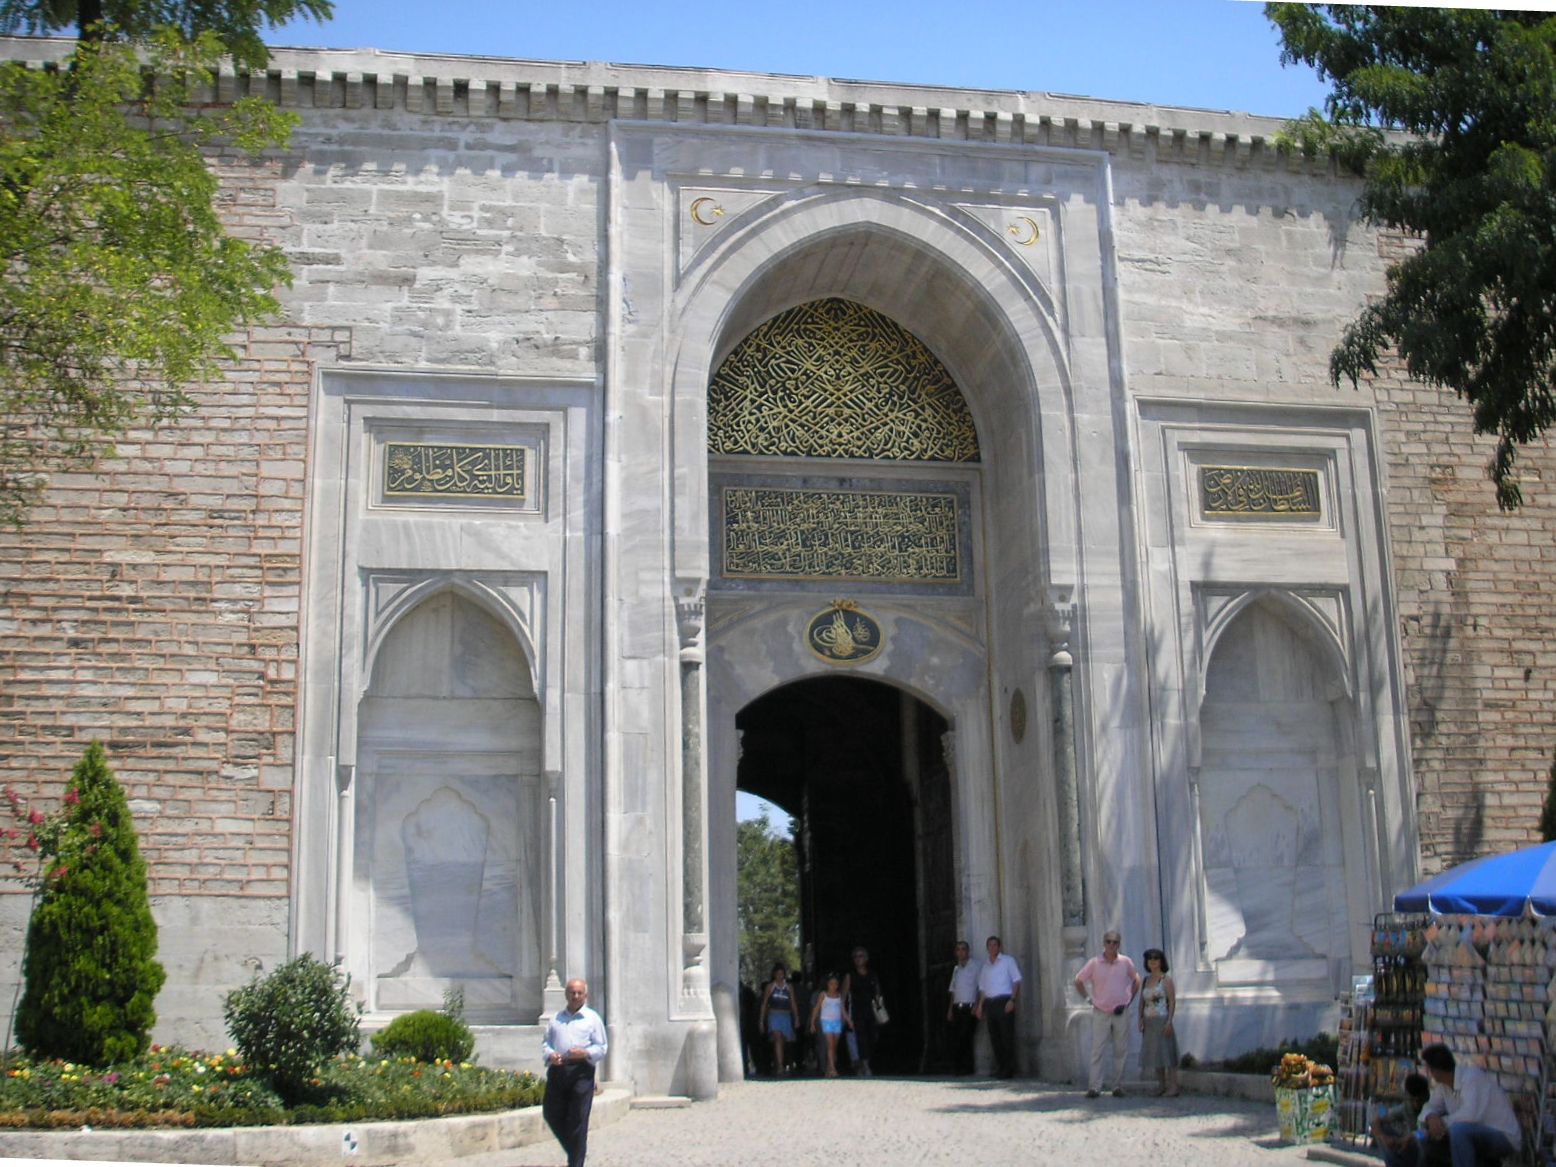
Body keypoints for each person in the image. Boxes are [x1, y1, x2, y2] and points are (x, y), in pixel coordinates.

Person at [1399, 1044, 1521, 1167]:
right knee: (1427, 1141)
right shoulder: (1443, 1087)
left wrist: (1440, 1123)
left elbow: (1470, 1115)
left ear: (1436, 1070)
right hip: (1475, 1137)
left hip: (1503, 1136)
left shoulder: (1472, 1077)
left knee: (1458, 1131)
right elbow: (1429, 1106)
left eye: (1430, 1069)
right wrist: (1431, 1117)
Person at [541, 978, 608, 1167]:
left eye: (579, 993)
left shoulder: (592, 1019)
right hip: (558, 1070)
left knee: (578, 1118)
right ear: (566, 995)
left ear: (585, 995)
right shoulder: (556, 1019)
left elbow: (601, 1047)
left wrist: (585, 1052)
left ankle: (576, 1163)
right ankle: (574, 1151)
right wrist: (551, 1055)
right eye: (572, 992)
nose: (575, 996)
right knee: (551, 1113)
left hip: (581, 1071)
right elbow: (546, 1043)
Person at [1074, 929, 1140, 1098]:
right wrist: (1089, 1000)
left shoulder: (1125, 962)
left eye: (1115, 942)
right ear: (1104, 944)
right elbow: (1079, 980)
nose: (1112, 945)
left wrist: (1129, 1000)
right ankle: (1094, 1086)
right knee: (1098, 1049)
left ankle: (1117, 1085)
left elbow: (1136, 979)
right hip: (1101, 1010)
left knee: (1121, 1049)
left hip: (1120, 1010)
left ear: (1119, 944)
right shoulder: (1094, 963)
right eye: (1109, 942)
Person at [974, 934, 1022, 1078]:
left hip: (1004, 1001)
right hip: (990, 1004)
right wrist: (980, 1006)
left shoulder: (1008, 961)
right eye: (990, 945)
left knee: (1007, 1036)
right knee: (995, 1038)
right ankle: (1001, 1067)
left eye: (995, 945)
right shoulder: (985, 966)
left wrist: (1012, 1000)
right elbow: (982, 988)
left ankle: (1009, 1068)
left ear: (999, 947)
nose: (992, 947)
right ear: (987, 948)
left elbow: (1017, 980)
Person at [1137, 947, 1180, 1097]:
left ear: (1161, 961)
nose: (1153, 962)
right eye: (1150, 959)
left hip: (1162, 1019)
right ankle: (1161, 1085)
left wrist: (1169, 1021)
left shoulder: (1166, 979)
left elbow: (1172, 1001)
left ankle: (1173, 1086)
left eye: (1156, 958)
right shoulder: (1146, 980)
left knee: (1167, 1053)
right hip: (1149, 1021)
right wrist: (1140, 1018)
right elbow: (1142, 1001)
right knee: (1156, 1055)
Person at [1372, 1073, 1432, 1164]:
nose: (1416, 1104)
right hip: (1410, 1148)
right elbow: (1379, 1117)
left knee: (1421, 1142)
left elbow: (1426, 1133)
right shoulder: (1405, 1107)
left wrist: (1410, 1137)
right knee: (1383, 1128)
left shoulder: (1433, 1106)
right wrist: (1383, 1137)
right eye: (1412, 1100)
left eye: (1419, 1100)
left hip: (1428, 1149)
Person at [842, 946, 883, 1077]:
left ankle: (863, 1061)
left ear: (866, 958)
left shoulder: (872, 974)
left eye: (860, 956)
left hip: (870, 1011)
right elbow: (843, 997)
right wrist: (844, 1015)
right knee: (861, 1038)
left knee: (873, 1037)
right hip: (856, 1011)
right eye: (855, 957)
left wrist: (880, 1006)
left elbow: (877, 992)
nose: (858, 959)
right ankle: (864, 1064)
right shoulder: (850, 976)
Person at [946, 939, 981, 1075]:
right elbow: (953, 990)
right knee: (957, 1037)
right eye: (958, 949)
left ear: (968, 951)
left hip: (970, 1006)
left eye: (963, 949)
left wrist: (977, 1005)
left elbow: (980, 987)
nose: (961, 952)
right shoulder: (956, 969)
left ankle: (967, 1067)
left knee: (966, 1037)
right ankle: (959, 1067)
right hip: (957, 1007)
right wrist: (950, 1009)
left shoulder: (975, 967)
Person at [759, 963, 800, 1077]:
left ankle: (782, 1063)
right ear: (774, 975)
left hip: (786, 1015)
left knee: (785, 1041)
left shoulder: (789, 987)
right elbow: (764, 1004)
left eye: (782, 974)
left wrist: (796, 1018)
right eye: (777, 974)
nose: (780, 976)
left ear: (784, 975)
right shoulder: (770, 987)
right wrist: (761, 1021)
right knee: (777, 1039)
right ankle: (780, 1067)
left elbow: (793, 1003)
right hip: (774, 1014)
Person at [809, 971, 851, 1078]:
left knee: (834, 1046)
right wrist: (812, 1022)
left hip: (837, 1022)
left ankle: (829, 1068)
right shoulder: (823, 995)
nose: (834, 986)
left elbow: (842, 1010)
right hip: (826, 1021)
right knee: (830, 1045)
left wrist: (849, 1021)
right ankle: (833, 1069)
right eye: (831, 983)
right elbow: (816, 1008)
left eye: (836, 984)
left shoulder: (839, 995)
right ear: (827, 984)